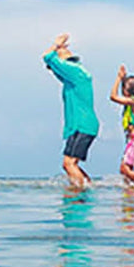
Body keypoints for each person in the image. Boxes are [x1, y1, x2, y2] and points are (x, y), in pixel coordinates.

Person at [43, 33, 99, 188]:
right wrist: (54, 61)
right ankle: (87, 187)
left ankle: (79, 193)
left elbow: (47, 57)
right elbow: (52, 67)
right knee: (70, 164)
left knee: (69, 164)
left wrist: (56, 45)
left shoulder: (75, 72)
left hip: (82, 125)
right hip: (83, 125)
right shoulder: (77, 74)